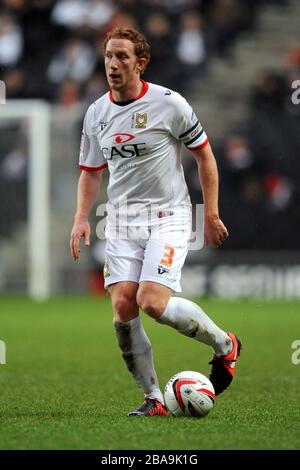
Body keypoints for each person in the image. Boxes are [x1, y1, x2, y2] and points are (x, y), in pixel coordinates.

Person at [70, 27, 241, 417]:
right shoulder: (97, 112)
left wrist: (211, 213)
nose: (113, 64)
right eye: (109, 56)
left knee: (152, 302)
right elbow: (90, 171)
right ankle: (153, 400)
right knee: (123, 310)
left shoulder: (170, 104)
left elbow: (205, 157)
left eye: (122, 57)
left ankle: (224, 344)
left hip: (169, 216)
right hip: (120, 222)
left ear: (140, 62)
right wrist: (81, 218)